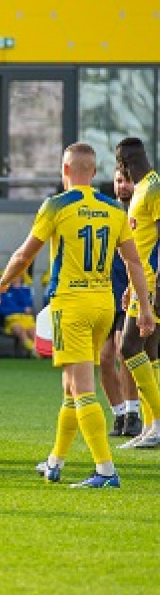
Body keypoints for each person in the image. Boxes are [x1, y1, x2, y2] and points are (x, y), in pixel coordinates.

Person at [0, 142, 153, 488]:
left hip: (72, 306)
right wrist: (146, 308)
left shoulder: (56, 206)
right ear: (93, 172)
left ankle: (106, 470)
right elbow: (134, 262)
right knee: (70, 389)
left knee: (82, 390)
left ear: (65, 170)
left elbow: (24, 256)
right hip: (103, 305)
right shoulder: (113, 208)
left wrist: (2, 283)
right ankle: (54, 462)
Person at [113, 137, 160, 450]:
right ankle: (150, 427)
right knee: (151, 353)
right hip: (142, 282)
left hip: (154, 281)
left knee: (129, 346)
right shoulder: (143, 187)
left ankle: (157, 420)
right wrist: (132, 285)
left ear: (124, 161)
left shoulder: (154, 187)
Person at [101, 168, 141, 438]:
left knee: (122, 352)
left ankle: (133, 413)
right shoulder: (109, 214)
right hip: (104, 295)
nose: (122, 186)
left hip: (131, 295)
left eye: (127, 181)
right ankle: (118, 414)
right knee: (104, 359)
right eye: (118, 181)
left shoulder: (145, 216)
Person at [0, 274, 36, 355]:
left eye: (18, 277)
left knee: (33, 331)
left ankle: (40, 351)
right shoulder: (3, 292)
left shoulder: (25, 291)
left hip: (26, 319)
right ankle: (33, 349)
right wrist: (21, 309)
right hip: (12, 319)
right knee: (19, 329)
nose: (16, 279)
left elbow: (28, 306)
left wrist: (18, 289)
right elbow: (1, 310)